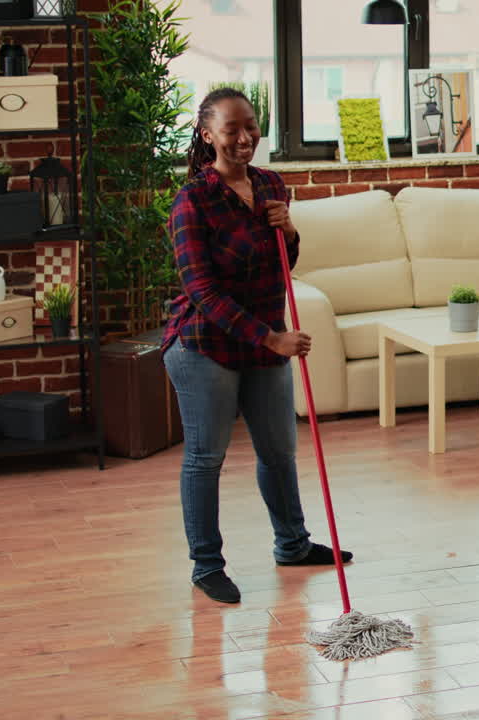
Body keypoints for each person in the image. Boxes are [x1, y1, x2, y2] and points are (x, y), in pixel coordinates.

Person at [162, 87, 352, 604]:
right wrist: (273, 338)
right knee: (206, 457)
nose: (245, 137)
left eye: (251, 126)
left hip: (266, 342)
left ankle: (292, 544)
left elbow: (281, 263)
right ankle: (206, 566)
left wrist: (288, 228)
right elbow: (201, 291)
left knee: (278, 451)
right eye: (231, 129)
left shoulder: (270, 184)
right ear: (207, 135)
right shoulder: (192, 200)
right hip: (206, 346)